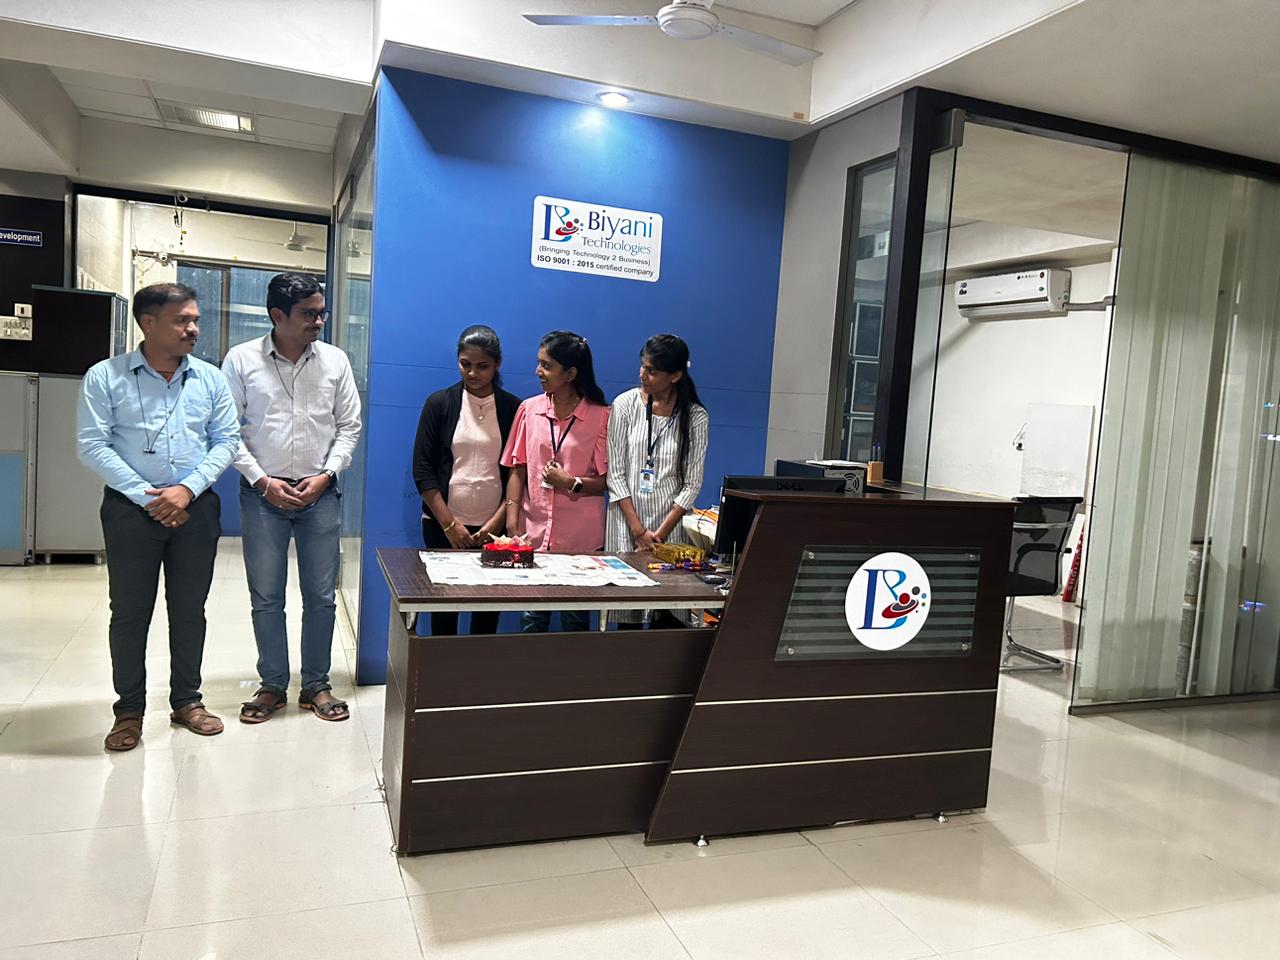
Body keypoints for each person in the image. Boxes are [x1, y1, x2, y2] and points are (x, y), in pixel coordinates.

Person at [77, 282, 240, 751]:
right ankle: (128, 711)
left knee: (189, 610)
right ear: (148, 323)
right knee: (130, 612)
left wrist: (186, 490)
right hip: (130, 510)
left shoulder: (209, 378)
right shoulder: (105, 377)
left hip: (196, 507)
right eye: (182, 320)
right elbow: (92, 445)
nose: (193, 328)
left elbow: (226, 439)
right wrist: (149, 496)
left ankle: (187, 701)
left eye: (195, 319)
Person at [221, 273, 362, 724]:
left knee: (321, 596)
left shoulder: (335, 361)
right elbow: (226, 430)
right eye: (308, 314)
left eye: (321, 312)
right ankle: (273, 685)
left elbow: (349, 426)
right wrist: (262, 481)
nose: (319, 321)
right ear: (277, 315)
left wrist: (326, 475)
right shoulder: (241, 360)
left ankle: (316, 684)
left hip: (321, 493)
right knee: (266, 596)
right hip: (262, 494)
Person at [412, 325, 521, 636]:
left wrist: (497, 523)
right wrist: (449, 525)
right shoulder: (439, 403)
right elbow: (423, 470)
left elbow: (518, 472)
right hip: (442, 526)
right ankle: (444, 668)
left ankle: (480, 668)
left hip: (494, 529)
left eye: (482, 366)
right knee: (444, 612)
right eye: (465, 364)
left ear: (497, 364)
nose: (473, 373)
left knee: (487, 615)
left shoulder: (514, 408)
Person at [501, 331, 609, 632]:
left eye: (547, 366)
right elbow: (517, 469)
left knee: (575, 621)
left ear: (571, 374)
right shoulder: (529, 410)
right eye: (539, 363)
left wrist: (570, 482)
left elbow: (607, 481)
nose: (538, 372)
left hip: (581, 541)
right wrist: (511, 523)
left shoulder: (601, 416)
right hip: (533, 536)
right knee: (531, 620)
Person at [606, 334, 710, 629]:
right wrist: (639, 531)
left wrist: (658, 536)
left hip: (670, 529)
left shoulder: (695, 417)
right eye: (642, 366)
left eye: (652, 371)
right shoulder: (625, 404)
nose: (642, 375)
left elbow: (692, 484)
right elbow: (615, 473)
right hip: (625, 524)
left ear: (675, 376)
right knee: (627, 618)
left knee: (667, 618)